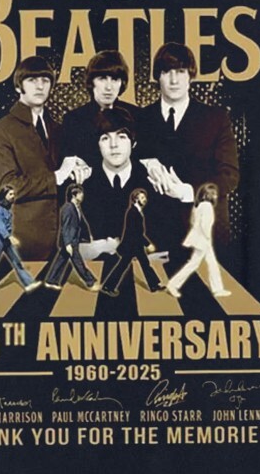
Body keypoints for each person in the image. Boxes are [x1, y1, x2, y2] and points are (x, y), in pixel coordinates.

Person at [135, 42, 240, 260]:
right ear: (157, 77)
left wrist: (187, 192)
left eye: (181, 71)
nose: (174, 80)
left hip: (205, 236)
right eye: (167, 72)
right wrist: (145, 162)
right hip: (155, 237)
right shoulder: (140, 118)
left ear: (191, 76)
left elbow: (229, 176)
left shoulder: (216, 118)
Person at [0, 55, 90, 260]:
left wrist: (81, 168)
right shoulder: (0, 130)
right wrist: (56, 177)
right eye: (32, 80)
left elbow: (66, 175)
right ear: (19, 86)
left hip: (64, 240)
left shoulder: (58, 128)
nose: (40, 86)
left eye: (45, 80)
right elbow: (8, 187)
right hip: (25, 243)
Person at [80, 107, 157, 249]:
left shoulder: (153, 181)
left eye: (121, 137)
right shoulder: (84, 184)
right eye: (105, 138)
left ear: (133, 143)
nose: (113, 145)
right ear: (97, 145)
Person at [59, 49, 132, 165]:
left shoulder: (137, 116)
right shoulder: (73, 120)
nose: (109, 87)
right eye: (102, 79)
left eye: (115, 79)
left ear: (121, 83)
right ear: (91, 82)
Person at [164, 182, 231, 299]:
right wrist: (207, 238)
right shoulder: (207, 206)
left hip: (200, 239)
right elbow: (205, 225)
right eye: (214, 194)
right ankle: (172, 285)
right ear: (207, 195)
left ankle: (217, 289)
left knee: (211, 264)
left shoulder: (198, 206)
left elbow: (192, 221)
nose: (216, 196)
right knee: (193, 264)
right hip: (203, 240)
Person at [100, 187, 169, 297]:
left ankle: (154, 285)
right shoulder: (133, 212)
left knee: (144, 264)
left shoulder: (136, 211)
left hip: (135, 245)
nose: (145, 199)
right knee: (123, 266)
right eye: (142, 197)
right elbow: (136, 232)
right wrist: (148, 244)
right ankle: (108, 286)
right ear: (136, 199)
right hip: (131, 245)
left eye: (145, 197)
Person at [0, 185, 42, 296]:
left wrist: (9, 237)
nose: (13, 196)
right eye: (10, 194)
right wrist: (9, 237)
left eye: (13, 194)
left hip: (7, 240)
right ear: (4, 195)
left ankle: (29, 283)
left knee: (16, 261)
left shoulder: (8, 209)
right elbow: (0, 226)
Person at [44, 184, 100, 290]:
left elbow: (81, 223)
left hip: (72, 240)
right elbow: (66, 227)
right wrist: (68, 244)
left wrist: (89, 235)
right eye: (80, 193)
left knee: (61, 260)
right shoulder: (68, 208)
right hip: (70, 241)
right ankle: (90, 282)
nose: (82, 195)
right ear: (73, 195)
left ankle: (50, 280)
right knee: (78, 263)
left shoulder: (76, 207)